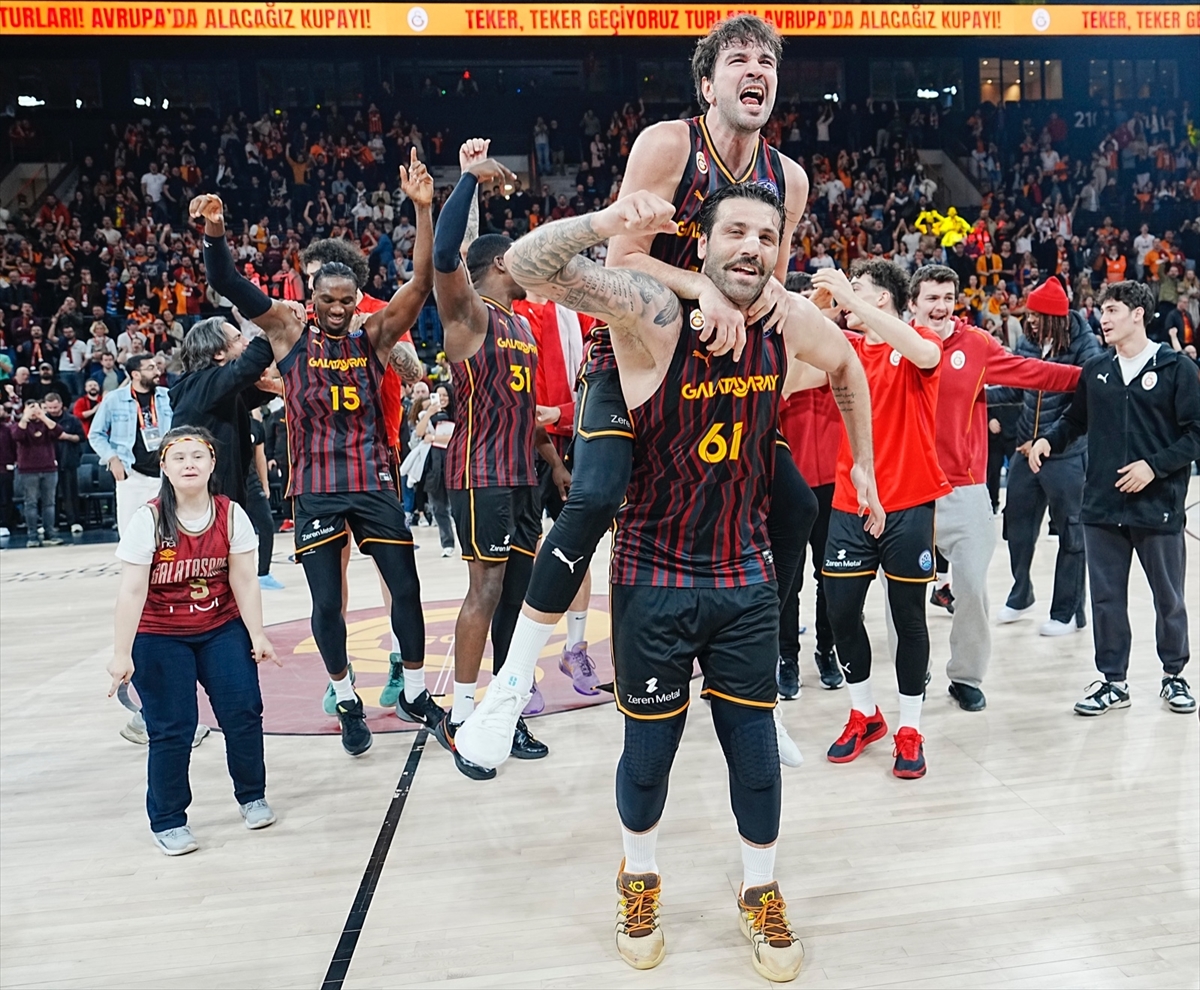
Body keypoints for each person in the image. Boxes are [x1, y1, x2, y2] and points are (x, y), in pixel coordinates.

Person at [498, 183, 879, 981]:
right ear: (701, 245)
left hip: (744, 575)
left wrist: (865, 469)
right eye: (735, 231)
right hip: (654, 575)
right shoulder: (653, 312)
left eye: (766, 236)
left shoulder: (785, 319)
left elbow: (847, 362)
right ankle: (638, 878)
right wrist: (607, 225)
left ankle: (760, 891)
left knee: (757, 760)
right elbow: (529, 266)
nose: (751, 247)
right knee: (648, 759)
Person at [460, 16, 861, 767]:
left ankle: (755, 684)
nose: (756, 70)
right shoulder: (670, 144)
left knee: (795, 506)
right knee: (594, 499)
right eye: (739, 59)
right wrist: (698, 287)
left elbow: (764, 281)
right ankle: (509, 684)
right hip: (636, 354)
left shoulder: (790, 179)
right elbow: (620, 260)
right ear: (708, 83)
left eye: (767, 61)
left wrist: (779, 297)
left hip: (721, 371)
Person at [191, 150, 443, 759]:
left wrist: (423, 210)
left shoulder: (374, 335)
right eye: (327, 298)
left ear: (357, 300)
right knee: (327, 601)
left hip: (372, 477)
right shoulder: (286, 331)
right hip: (316, 487)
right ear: (311, 295)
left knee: (405, 587)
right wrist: (216, 234)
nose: (336, 307)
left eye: (346, 300)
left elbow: (421, 283)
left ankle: (413, 691)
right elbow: (227, 282)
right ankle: (347, 697)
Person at [428, 142, 570, 778]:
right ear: (500, 263)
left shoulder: (524, 326)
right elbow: (443, 254)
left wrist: (555, 464)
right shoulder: (470, 314)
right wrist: (467, 181)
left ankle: (504, 711)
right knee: (484, 590)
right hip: (478, 473)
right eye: (523, 256)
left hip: (520, 476)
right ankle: (461, 717)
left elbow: (528, 411)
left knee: (517, 597)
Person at [903, 266, 1083, 711]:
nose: (941, 306)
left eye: (948, 297)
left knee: (971, 590)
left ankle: (966, 676)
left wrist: (1093, 377)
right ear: (912, 303)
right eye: (931, 298)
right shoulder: (893, 343)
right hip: (905, 487)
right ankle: (911, 673)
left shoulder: (976, 344)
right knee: (901, 595)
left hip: (963, 489)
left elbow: (1033, 372)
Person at [1028, 281, 1200, 717]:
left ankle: (1174, 676)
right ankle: (1113, 682)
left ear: (1137, 314)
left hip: (1158, 506)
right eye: (1101, 311)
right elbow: (1075, 420)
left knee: (1169, 599)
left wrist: (1153, 467)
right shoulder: (1097, 370)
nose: (1102, 319)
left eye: (1111, 311)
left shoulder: (1176, 368)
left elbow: (1195, 434)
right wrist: (1048, 439)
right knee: (1106, 600)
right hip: (1102, 507)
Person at [106, 427, 280, 856]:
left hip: (220, 627)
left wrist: (257, 633)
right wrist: (121, 653)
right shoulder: (148, 519)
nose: (189, 464)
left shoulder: (231, 514)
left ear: (212, 463)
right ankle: (168, 820)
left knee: (243, 711)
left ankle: (252, 796)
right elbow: (131, 590)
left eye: (197, 456)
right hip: (159, 634)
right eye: (179, 457)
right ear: (164, 467)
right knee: (173, 727)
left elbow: (244, 579)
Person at [807, 260, 947, 779]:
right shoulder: (842, 350)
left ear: (881, 298)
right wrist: (812, 316)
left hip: (909, 501)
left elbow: (927, 354)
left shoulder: (917, 341)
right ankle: (864, 713)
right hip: (850, 502)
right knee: (840, 612)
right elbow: (791, 378)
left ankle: (910, 728)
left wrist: (849, 299)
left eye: (857, 289)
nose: (847, 297)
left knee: (908, 618)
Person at [992, 276, 1103, 637]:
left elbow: (1086, 402)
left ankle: (1068, 612)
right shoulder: (1028, 341)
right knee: (1016, 526)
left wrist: (1048, 440)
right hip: (1025, 449)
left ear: (1056, 317)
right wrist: (976, 395)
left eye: (1037, 316)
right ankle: (1021, 593)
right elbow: (1015, 386)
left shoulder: (1085, 345)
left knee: (1071, 533)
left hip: (1066, 454)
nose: (1031, 321)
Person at [168, 317, 275, 507]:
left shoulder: (220, 389)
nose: (246, 342)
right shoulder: (201, 384)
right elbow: (250, 364)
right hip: (205, 501)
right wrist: (275, 324)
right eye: (238, 338)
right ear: (218, 353)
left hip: (224, 493)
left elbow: (263, 387)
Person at [87, 354, 172, 534]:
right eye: (151, 368)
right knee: (130, 533)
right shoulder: (114, 399)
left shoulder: (167, 396)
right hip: (131, 474)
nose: (157, 372)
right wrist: (112, 459)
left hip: (165, 474)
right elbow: (95, 434)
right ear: (135, 374)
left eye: (156, 367)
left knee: (165, 533)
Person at [13, 398, 64, 546]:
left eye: (36, 408)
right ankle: (33, 536)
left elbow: (58, 432)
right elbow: (17, 436)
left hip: (49, 468)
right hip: (28, 470)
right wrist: (25, 418)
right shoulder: (20, 425)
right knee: (31, 503)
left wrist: (43, 417)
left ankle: (50, 534)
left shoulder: (46, 424)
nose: (34, 412)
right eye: (30, 409)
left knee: (49, 504)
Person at [42, 392, 84, 534]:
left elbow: (81, 438)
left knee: (70, 494)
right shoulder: (43, 420)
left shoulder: (72, 420)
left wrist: (66, 436)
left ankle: (74, 521)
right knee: (49, 495)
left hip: (68, 460)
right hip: (48, 462)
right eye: (49, 408)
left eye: (55, 407)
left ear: (61, 404)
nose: (52, 410)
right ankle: (52, 523)